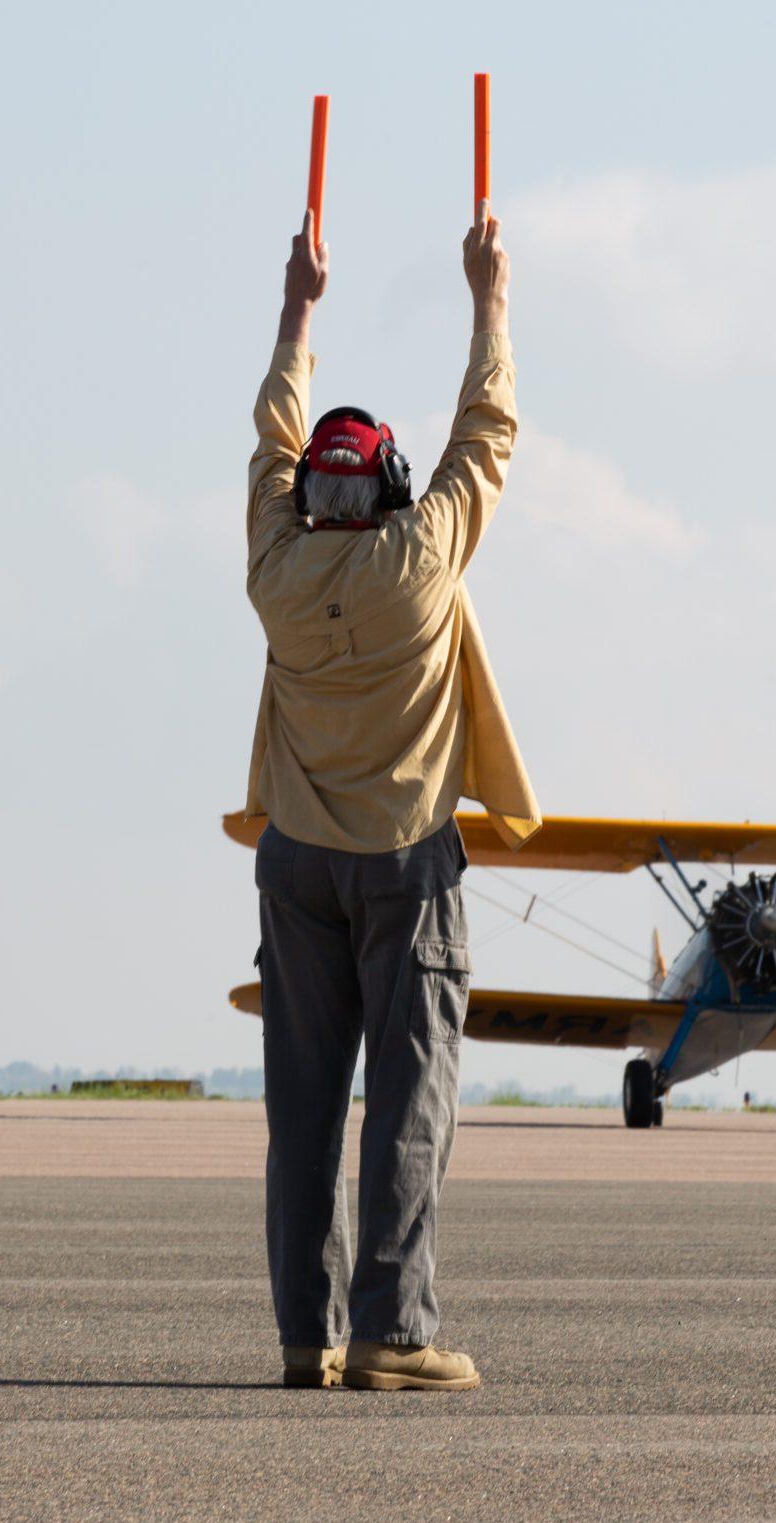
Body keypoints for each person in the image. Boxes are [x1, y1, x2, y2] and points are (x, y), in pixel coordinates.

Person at [239, 207, 539, 1392]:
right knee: (408, 1107)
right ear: (395, 489)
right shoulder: (421, 562)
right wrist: (489, 295)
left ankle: (301, 1338)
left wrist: (298, 307)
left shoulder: (273, 567)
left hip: (294, 860)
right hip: (405, 867)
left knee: (301, 1114)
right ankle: (391, 1334)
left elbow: (269, 443)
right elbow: (492, 430)